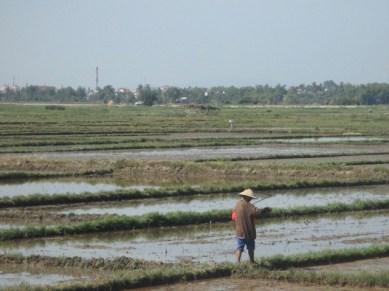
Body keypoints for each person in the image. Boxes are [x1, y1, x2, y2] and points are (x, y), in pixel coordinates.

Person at [232, 188, 271, 263]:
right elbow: (257, 212)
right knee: (251, 248)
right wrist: (265, 210)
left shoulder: (237, 204)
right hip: (248, 232)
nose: (251, 199)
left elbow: (233, 216)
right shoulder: (249, 206)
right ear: (246, 197)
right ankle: (252, 261)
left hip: (239, 232)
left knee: (239, 248)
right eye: (250, 198)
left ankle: (237, 262)